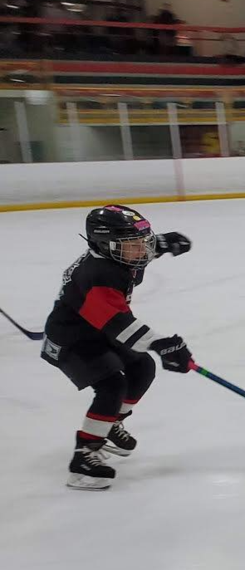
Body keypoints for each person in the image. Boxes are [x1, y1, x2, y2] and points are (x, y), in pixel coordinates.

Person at [41, 206, 194, 490]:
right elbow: (120, 325)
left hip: (96, 331)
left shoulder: (116, 255)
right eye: (133, 245)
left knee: (142, 367)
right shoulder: (98, 275)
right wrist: (162, 344)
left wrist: (160, 243)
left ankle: (110, 423)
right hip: (71, 339)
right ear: (105, 245)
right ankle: (84, 457)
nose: (141, 250)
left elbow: (132, 251)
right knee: (112, 387)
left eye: (143, 242)